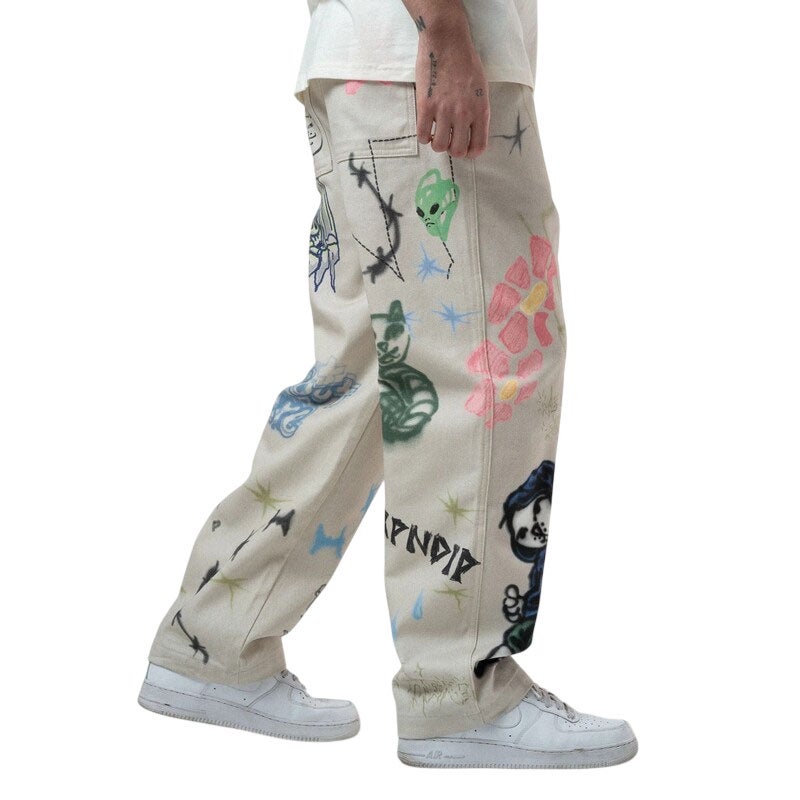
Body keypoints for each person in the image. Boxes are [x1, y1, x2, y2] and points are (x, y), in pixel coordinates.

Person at [138, 0, 637, 769]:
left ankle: (214, 639)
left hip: (367, 64)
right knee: (485, 366)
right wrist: (445, 30)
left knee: (375, 373)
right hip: (420, 60)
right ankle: (456, 689)